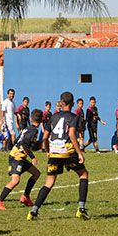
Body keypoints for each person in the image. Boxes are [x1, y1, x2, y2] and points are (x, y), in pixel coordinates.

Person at [27, 91, 89, 221]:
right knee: (83, 174)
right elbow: (71, 134)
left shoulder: (53, 117)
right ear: (73, 104)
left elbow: (45, 137)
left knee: (49, 182)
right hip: (67, 151)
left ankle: (33, 211)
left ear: (61, 103)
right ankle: (81, 209)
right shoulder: (74, 117)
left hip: (54, 152)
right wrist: (79, 152)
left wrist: (48, 151)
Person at [0, 109, 43, 210]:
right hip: (17, 158)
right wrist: (32, 157)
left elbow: (17, 140)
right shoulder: (34, 131)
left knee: (36, 173)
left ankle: (25, 197)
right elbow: (24, 144)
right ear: (41, 120)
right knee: (15, 180)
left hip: (20, 157)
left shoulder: (27, 128)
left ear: (31, 119)